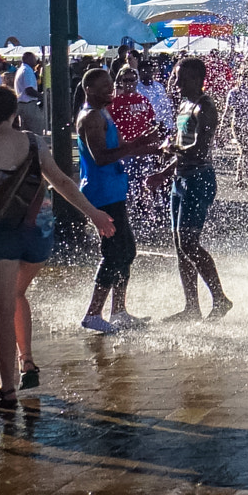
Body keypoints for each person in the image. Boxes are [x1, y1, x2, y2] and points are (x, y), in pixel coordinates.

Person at [0, 84, 115, 410]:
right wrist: (94, 214)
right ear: (15, 112)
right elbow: (62, 181)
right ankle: (28, 362)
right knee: (18, 294)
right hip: (38, 236)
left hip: (1, 235)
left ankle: (6, 390)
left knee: (2, 312)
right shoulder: (35, 143)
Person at [75, 68, 160, 334]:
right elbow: (101, 156)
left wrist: (155, 147)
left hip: (113, 189)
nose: (110, 90)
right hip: (102, 193)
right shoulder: (90, 117)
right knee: (114, 253)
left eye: (110, 85)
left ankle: (119, 311)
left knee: (127, 251)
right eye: (103, 87)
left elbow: (124, 146)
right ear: (89, 89)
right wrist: (140, 144)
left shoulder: (103, 113)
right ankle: (93, 314)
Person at [159, 57, 231, 322]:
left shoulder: (205, 107)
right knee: (181, 246)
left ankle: (220, 299)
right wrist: (164, 172)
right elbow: (183, 142)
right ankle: (192, 307)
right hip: (180, 179)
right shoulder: (184, 104)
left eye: (182, 78)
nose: (176, 82)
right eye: (176, 77)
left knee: (189, 243)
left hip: (198, 180)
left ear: (199, 79)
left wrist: (171, 148)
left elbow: (200, 149)